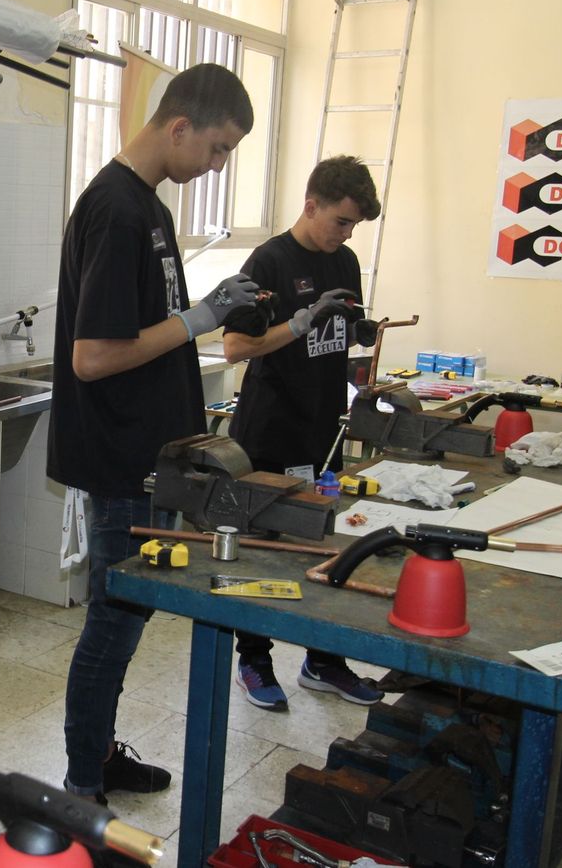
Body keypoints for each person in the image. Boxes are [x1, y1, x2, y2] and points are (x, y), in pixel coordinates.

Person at [49, 63, 261, 805]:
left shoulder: (149, 206)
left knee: (128, 619)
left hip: (149, 457)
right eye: (218, 147)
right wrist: (201, 319)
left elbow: (146, 326)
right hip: (120, 461)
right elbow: (93, 356)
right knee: (113, 621)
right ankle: (82, 785)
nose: (218, 165)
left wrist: (205, 310)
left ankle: (100, 755)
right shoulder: (115, 209)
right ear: (178, 127)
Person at [222, 155, 383, 711]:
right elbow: (236, 347)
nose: (347, 234)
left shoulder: (346, 261)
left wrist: (361, 331)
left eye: (354, 225)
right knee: (262, 550)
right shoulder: (268, 262)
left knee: (325, 544)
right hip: (271, 431)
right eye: (341, 221)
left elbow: (340, 337)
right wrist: (299, 321)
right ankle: (254, 661)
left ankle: (323, 660)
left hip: (323, 432)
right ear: (311, 205)